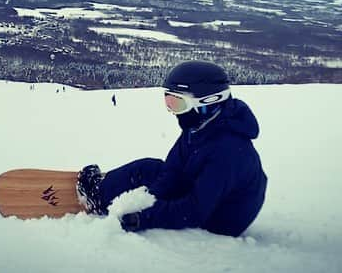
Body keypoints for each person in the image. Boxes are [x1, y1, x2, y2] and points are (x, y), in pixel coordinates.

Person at [76, 60, 267, 237]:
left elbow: (195, 210)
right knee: (150, 168)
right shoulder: (201, 126)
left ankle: (101, 195)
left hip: (219, 219)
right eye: (169, 102)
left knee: (155, 176)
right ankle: (100, 195)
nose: (173, 112)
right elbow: (172, 171)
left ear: (207, 101)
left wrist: (144, 217)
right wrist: (148, 197)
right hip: (202, 193)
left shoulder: (229, 151)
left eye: (178, 104)